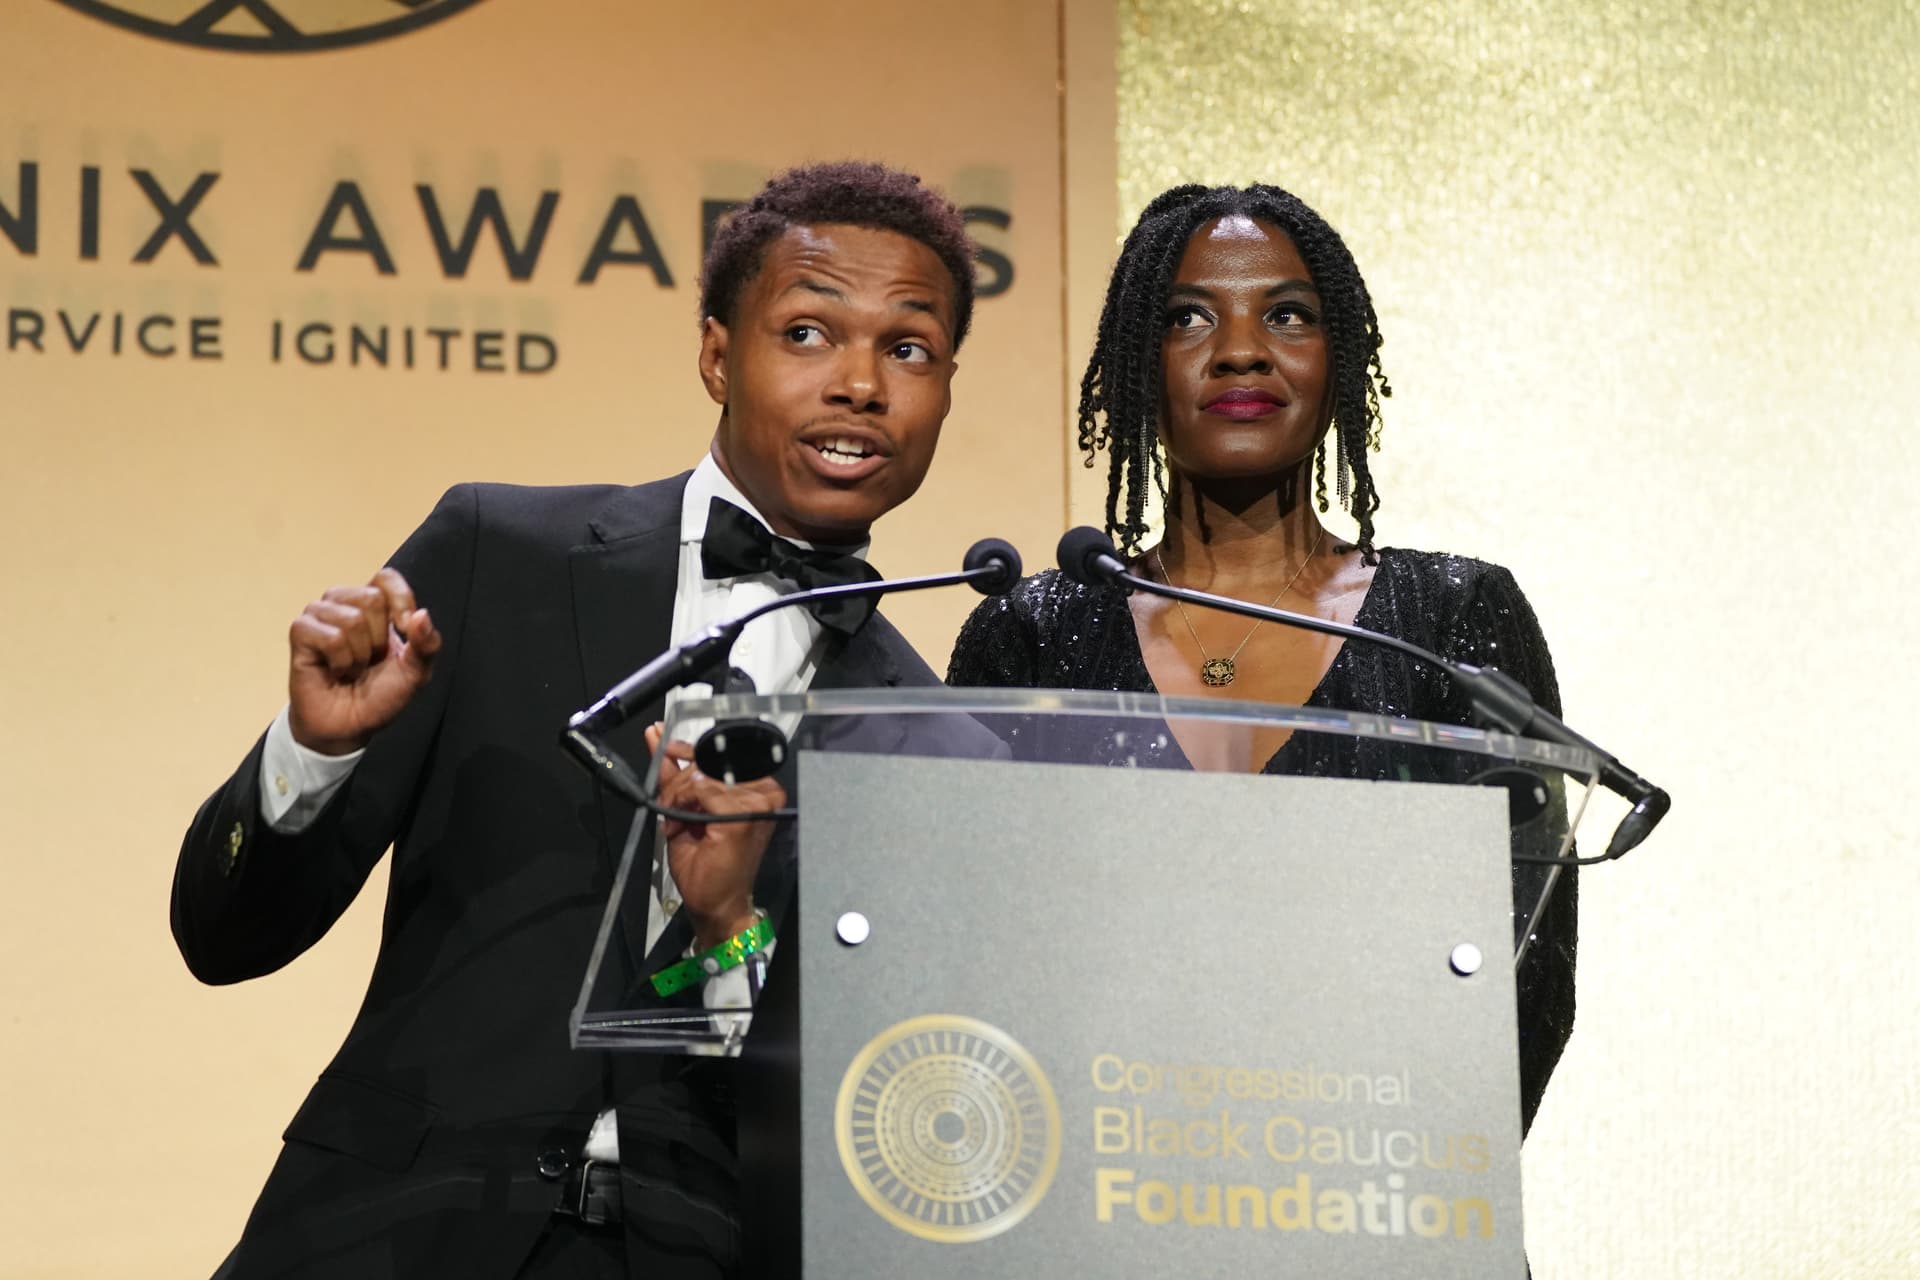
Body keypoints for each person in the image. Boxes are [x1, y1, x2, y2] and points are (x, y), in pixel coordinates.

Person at [173, 161, 996, 1279]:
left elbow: (884, 1118)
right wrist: (314, 753)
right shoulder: (497, 556)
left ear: (947, 389)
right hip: (386, 1235)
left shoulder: (938, 746)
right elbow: (225, 938)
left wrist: (728, 929)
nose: (860, 383)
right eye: (807, 332)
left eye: (909, 348)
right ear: (717, 355)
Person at [946, 182, 1576, 1135]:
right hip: (1098, 1178)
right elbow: (968, 956)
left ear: (1339, 358)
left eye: (1287, 315)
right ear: (1136, 366)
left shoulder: (1450, 619)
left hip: (1388, 1180)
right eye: (1189, 318)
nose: (1242, 348)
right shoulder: (1029, 634)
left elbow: (1530, 966)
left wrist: (1408, 1169)